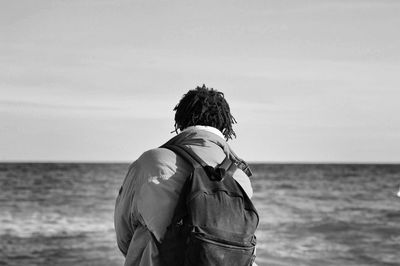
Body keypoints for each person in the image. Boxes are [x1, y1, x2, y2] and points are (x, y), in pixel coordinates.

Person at [114, 85, 256, 266]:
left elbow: (123, 235)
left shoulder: (151, 162)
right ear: (226, 127)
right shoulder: (239, 174)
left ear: (179, 122)